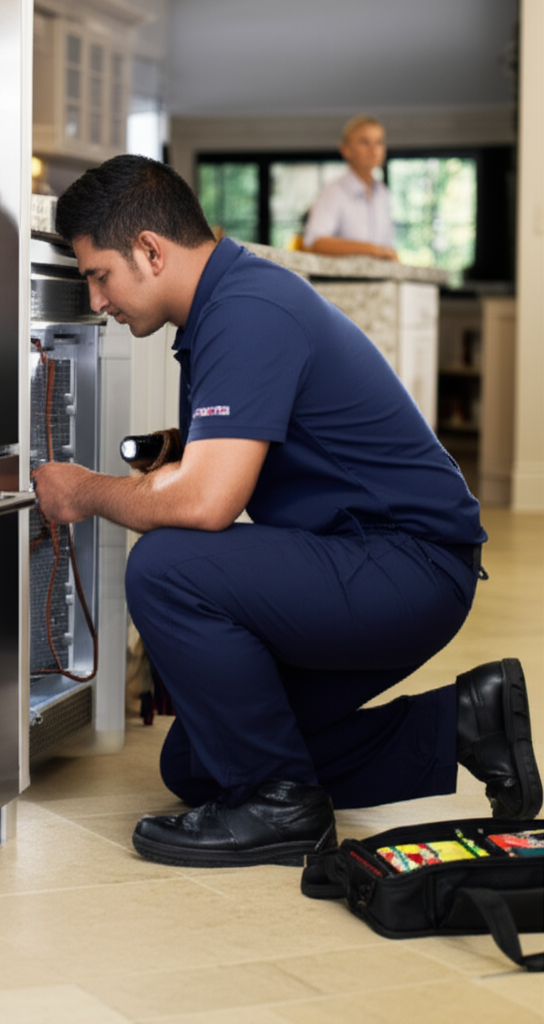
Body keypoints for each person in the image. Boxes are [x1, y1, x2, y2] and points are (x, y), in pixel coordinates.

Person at [32, 155, 541, 869]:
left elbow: (207, 503)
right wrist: (186, 447)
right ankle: (460, 722)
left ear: (150, 250)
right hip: (381, 559)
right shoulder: (230, 301)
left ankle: (283, 808)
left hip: (409, 565)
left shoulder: (248, 311)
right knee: (198, 765)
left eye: (97, 274)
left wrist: (81, 489)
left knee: (169, 566)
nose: (96, 301)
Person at [303, 114, 397, 260]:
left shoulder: (382, 193)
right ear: (346, 149)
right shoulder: (334, 192)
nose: (374, 150)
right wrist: (371, 250)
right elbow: (314, 242)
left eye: (379, 142)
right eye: (365, 142)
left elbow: (388, 247)